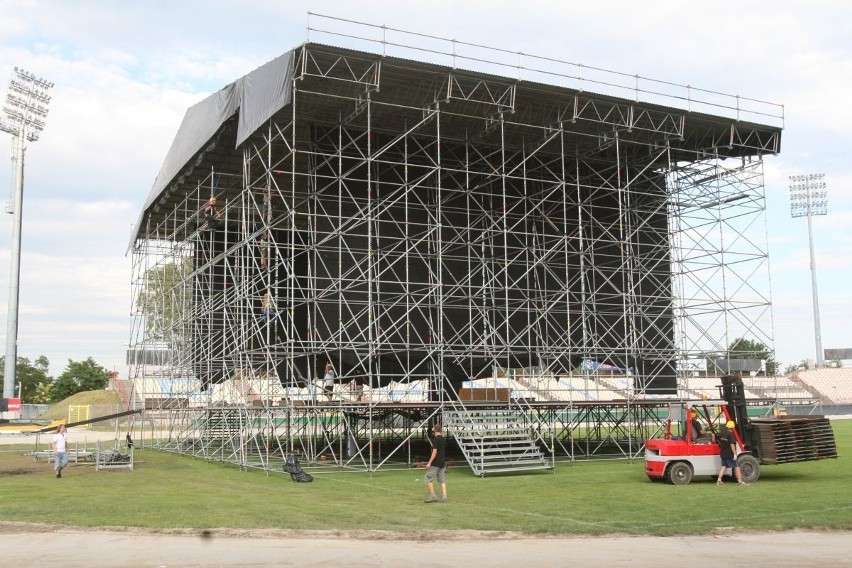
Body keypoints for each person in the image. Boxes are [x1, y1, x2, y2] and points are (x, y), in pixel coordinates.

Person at [715, 420, 748, 486]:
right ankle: (740, 481)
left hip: (723, 453)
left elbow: (719, 441)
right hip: (729, 454)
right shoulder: (730, 435)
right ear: (733, 428)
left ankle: (719, 480)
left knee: (723, 466)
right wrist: (735, 454)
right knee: (736, 467)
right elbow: (732, 445)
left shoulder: (722, 434)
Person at [424, 423, 448, 503]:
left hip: (435, 463)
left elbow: (434, 452)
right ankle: (444, 496)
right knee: (442, 480)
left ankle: (433, 496)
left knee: (428, 479)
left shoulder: (435, 439)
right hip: (442, 462)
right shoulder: (443, 439)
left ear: (434, 430)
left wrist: (429, 462)